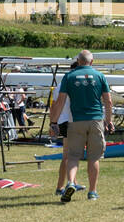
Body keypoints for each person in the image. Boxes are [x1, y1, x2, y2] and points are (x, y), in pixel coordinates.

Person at [49, 50, 114, 202]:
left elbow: (60, 102)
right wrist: (109, 120)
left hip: (75, 121)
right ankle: (92, 192)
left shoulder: (68, 77)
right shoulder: (100, 76)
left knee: (72, 156)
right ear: (92, 62)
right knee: (94, 158)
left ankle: (70, 182)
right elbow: (108, 101)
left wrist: (53, 122)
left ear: (78, 61)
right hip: (96, 120)